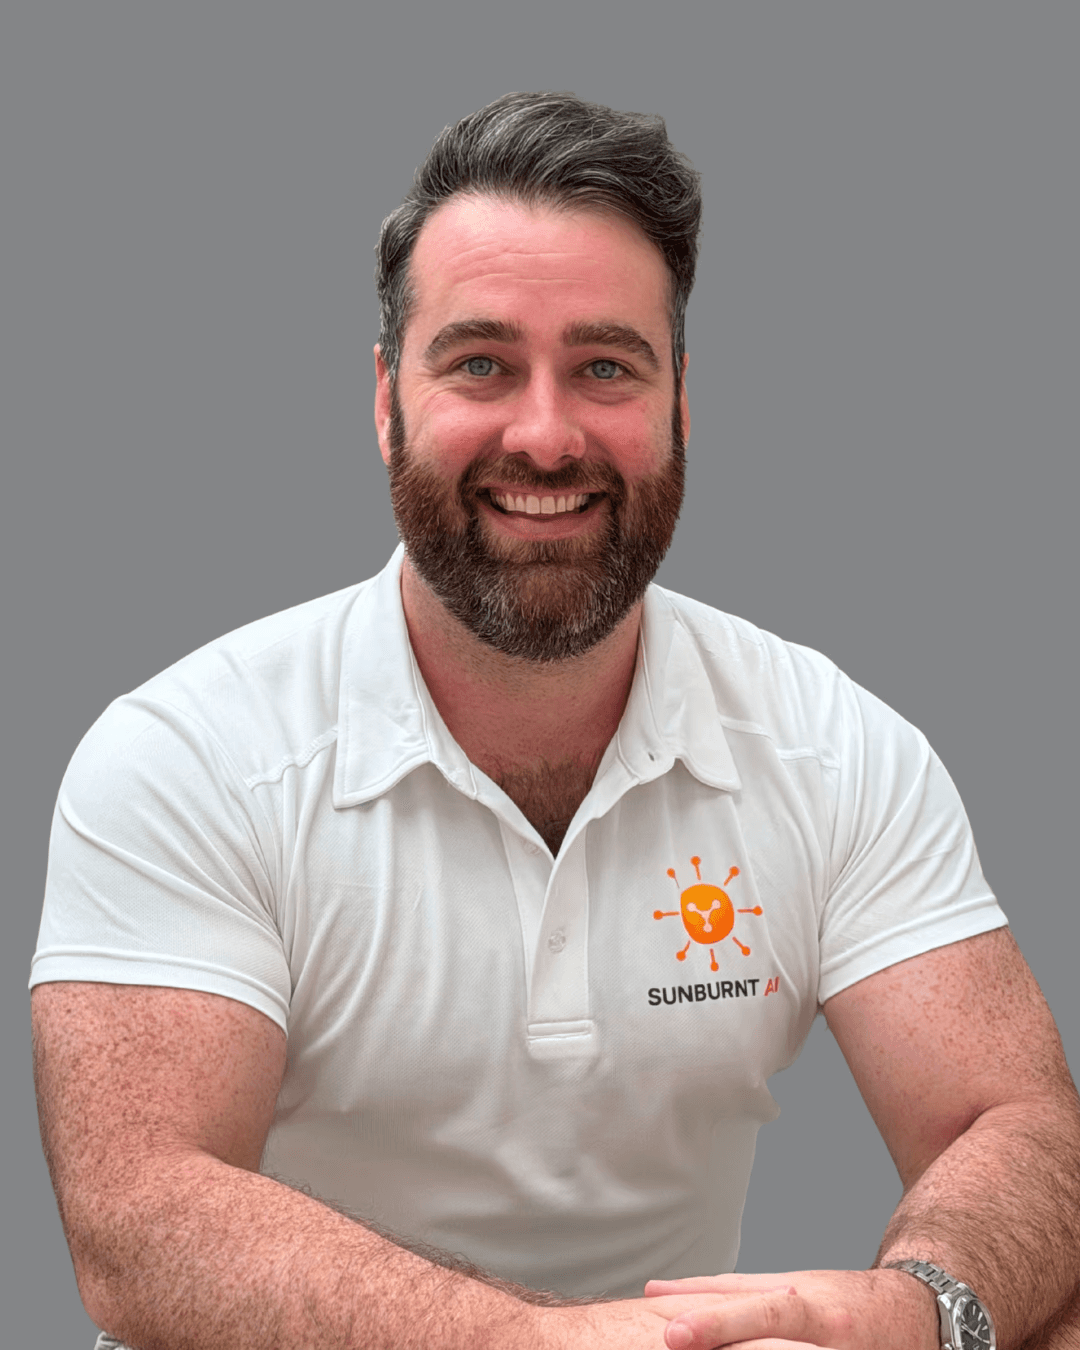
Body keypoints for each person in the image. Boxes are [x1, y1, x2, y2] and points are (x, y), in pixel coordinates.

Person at [30, 92, 1079, 1350]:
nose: (544, 434)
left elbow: (1016, 1123)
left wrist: (925, 1312)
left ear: (680, 403)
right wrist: (538, 1344)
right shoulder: (186, 757)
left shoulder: (832, 748)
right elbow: (140, 1220)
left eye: (605, 368)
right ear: (386, 400)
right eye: (480, 363)